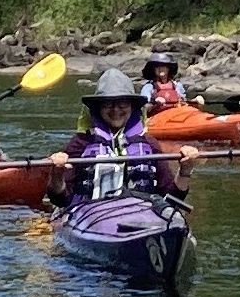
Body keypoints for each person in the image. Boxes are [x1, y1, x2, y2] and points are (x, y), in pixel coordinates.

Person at [46, 69, 176, 209]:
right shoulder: (81, 143)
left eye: (123, 104)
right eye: (108, 104)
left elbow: (171, 197)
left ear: (132, 107)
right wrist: (57, 173)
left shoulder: (149, 144)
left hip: (142, 214)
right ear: (98, 108)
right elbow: (60, 199)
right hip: (92, 214)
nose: (115, 110)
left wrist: (186, 170)